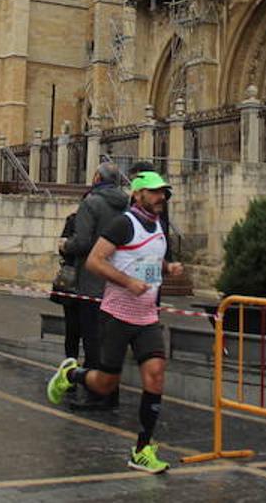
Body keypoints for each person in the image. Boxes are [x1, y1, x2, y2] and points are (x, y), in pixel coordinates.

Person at [47, 171, 183, 474]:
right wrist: (127, 282)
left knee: (156, 374)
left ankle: (143, 449)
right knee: (107, 382)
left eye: (164, 192)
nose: (162, 197)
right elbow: (95, 261)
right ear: (138, 195)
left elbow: (147, 255)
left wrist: (167, 266)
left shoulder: (159, 224)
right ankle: (72, 375)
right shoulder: (123, 223)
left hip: (146, 316)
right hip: (117, 314)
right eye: (155, 192)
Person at [58, 161, 129, 411]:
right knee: (110, 340)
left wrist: (66, 245)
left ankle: (95, 392)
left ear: (98, 177)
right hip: (117, 278)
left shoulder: (91, 203)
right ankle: (112, 393)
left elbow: (84, 241)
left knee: (91, 339)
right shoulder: (126, 204)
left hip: (91, 281)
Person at [51, 210, 83, 366]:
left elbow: (64, 246)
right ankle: (72, 364)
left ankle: (73, 364)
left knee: (74, 328)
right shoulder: (74, 220)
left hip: (82, 279)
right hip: (74, 279)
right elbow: (62, 247)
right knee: (72, 327)